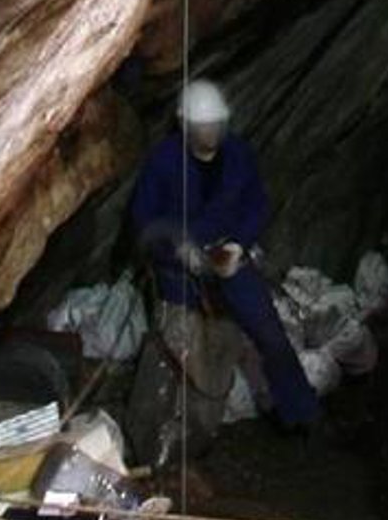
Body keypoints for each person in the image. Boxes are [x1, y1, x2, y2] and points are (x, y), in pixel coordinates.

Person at [126, 79, 320, 454]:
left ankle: (302, 414)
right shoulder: (163, 162)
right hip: (179, 270)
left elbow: (258, 204)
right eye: (203, 126)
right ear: (184, 124)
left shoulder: (238, 154)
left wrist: (238, 244)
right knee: (180, 351)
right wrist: (175, 246)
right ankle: (178, 434)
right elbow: (143, 222)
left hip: (226, 258)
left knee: (270, 333)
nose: (210, 132)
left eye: (215, 124)